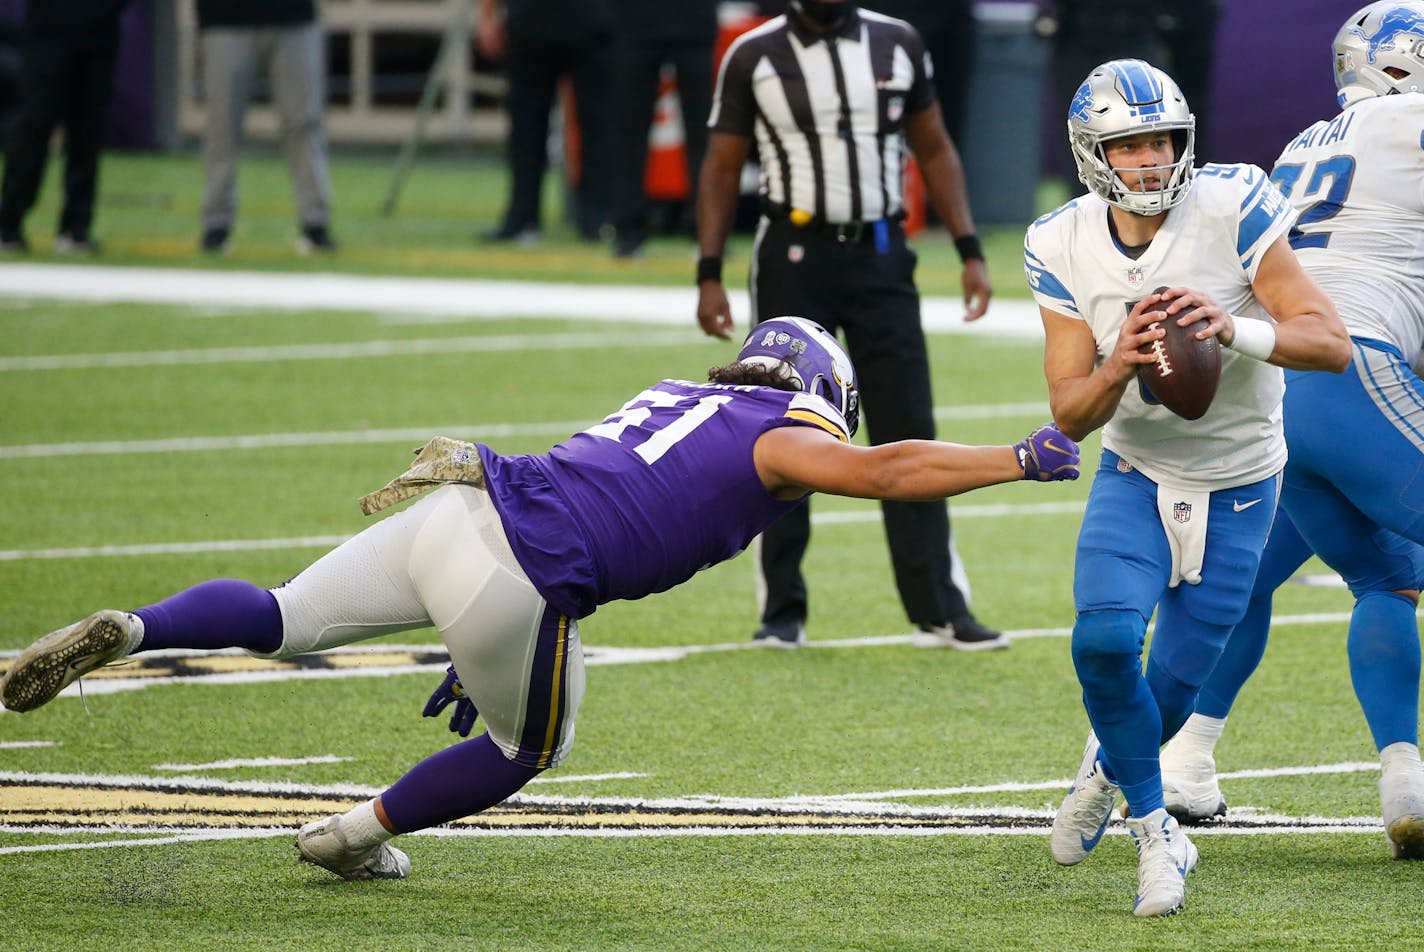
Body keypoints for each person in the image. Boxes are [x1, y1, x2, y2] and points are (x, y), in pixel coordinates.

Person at [0, 316, 1080, 881]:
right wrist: (1014, 459)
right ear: (817, 389)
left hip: (461, 506)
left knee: (283, 614)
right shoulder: (777, 434)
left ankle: (133, 628)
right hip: (519, 571)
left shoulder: (680, 392)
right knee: (527, 751)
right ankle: (345, 835)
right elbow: (886, 471)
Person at [1026, 59, 1350, 916]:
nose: (1151, 158)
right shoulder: (1058, 240)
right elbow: (1069, 411)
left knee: (1167, 693)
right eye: (1130, 144)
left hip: (1243, 484)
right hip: (1134, 471)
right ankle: (1157, 831)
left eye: (1162, 138)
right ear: (1093, 152)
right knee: (1101, 645)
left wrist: (1233, 328)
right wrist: (1121, 360)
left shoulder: (1231, 201)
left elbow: (1329, 341)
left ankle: (1105, 772)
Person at [1158, 1, 1424, 862]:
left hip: (1274, 389)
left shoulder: (1305, 144)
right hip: (1350, 370)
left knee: (1368, 573)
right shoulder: (1407, 120)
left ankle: (1188, 758)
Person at [695, 0, 1004, 652]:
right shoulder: (753, 53)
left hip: (883, 254)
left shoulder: (898, 42)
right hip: (792, 251)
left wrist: (970, 249)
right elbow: (723, 164)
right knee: (780, 427)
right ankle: (782, 610)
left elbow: (935, 145)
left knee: (908, 422)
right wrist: (708, 270)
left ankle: (939, 607)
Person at [196, 0, 336, 256]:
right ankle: (216, 223)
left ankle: (315, 222)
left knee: (304, 122)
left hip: (294, 15)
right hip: (225, 17)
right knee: (222, 125)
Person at [477, 0, 616, 245]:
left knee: (598, 126)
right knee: (526, 128)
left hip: (591, 21)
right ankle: (523, 216)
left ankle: (597, 217)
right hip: (532, 21)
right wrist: (487, 15)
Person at [0, 0, 130, 255]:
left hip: (99, 33)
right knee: (35, 124)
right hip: (49, 29)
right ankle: (9, 223)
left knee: (87, 129)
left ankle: (76, 228)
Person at [607, 0, 718, 259]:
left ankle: (707, 230)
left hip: (694, 23)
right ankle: (628, 229)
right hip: (636, 22)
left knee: (704, 135)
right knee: (629, 134)